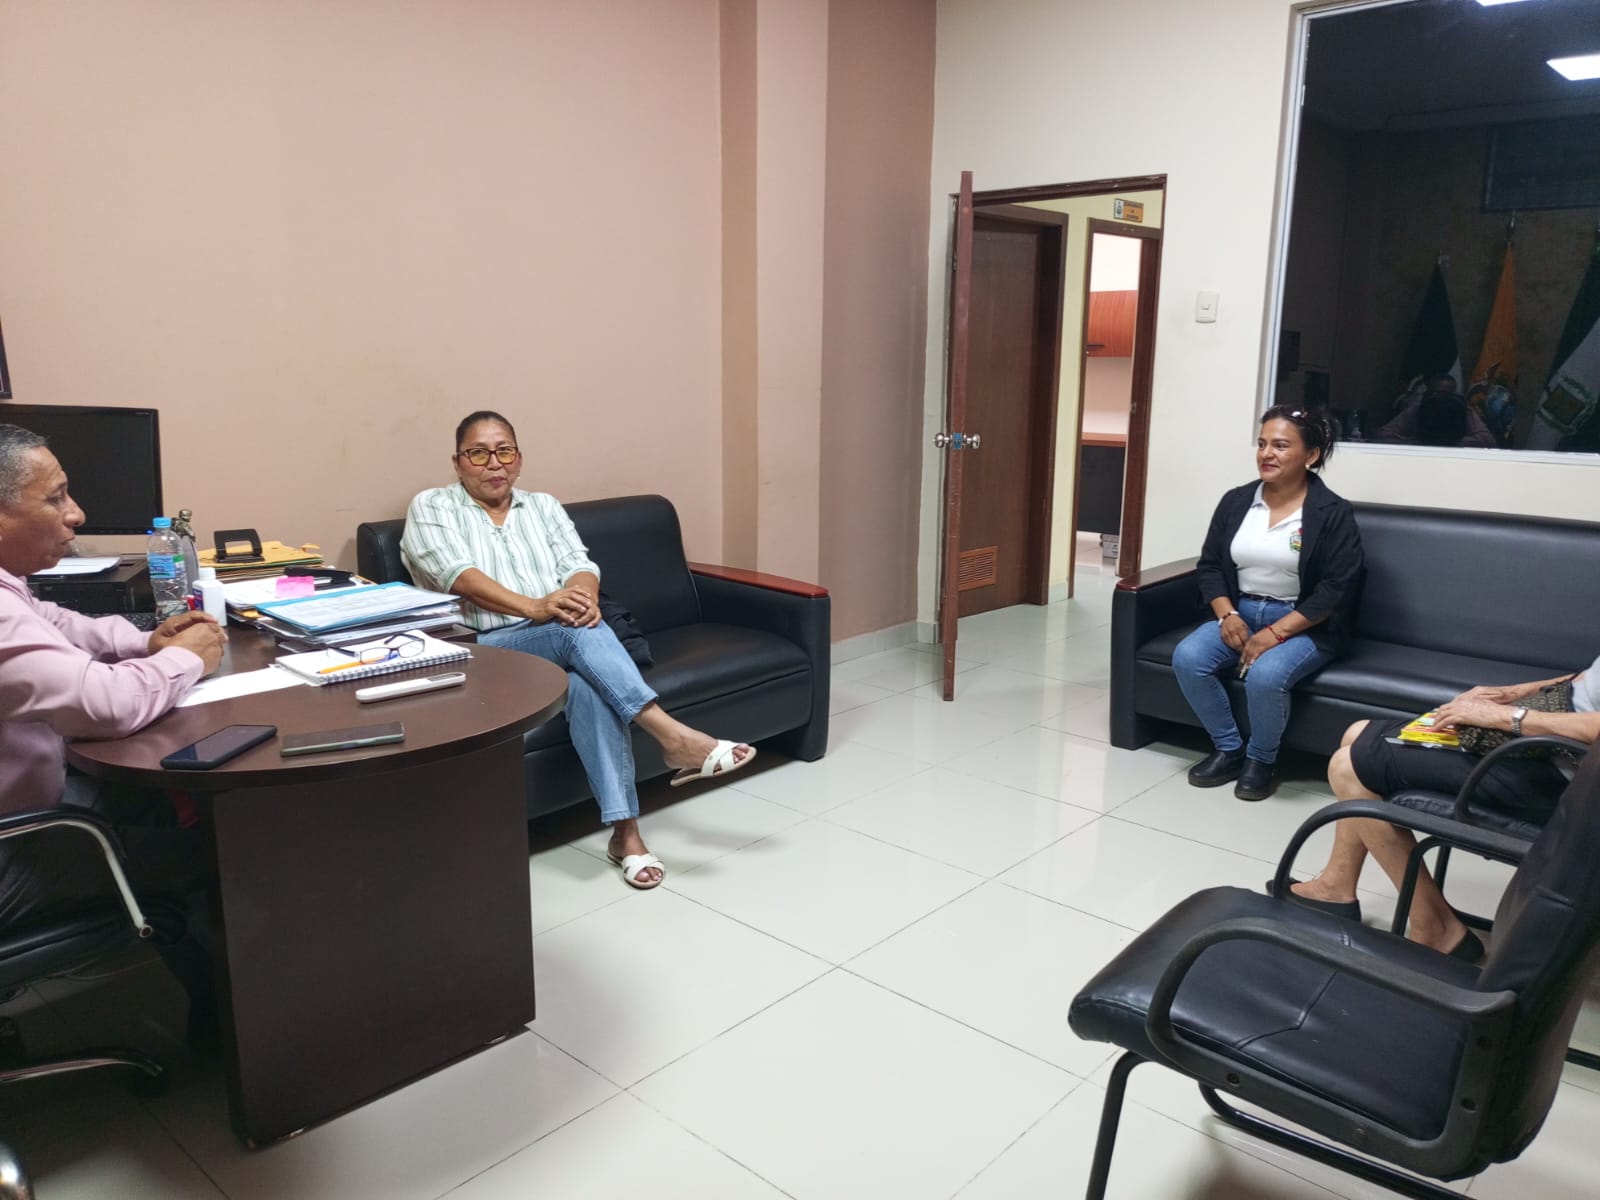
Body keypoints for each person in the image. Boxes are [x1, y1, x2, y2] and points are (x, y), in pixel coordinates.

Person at [400, 411, 754, 890]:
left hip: (555, 634)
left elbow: (578, 565)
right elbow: (457, 576)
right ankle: (671, 735)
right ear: (458, 462)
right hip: (488, 650)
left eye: (504, 451)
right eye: (478, 453)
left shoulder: (542, 507)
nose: (493, 463)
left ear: (519, 458)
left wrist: (582, 598)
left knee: (587, 683)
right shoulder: (432, 507)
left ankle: (626, 836)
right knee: (572, 631)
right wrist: (538, 607)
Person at [0, 424, 229, 1040]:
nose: (75, 514)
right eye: (55, 498)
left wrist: (144, 641)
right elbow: (105, 706)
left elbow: (52, 622)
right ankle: (236, 1029)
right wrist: (185, 661)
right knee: (218, 855)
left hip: (29, 803)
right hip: (13, 845)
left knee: (162, 804)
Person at [1284, 664, 1600, 962]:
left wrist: (1508, 716)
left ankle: (1436, 928)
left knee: (1347, 767)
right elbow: (1589, 678)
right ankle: (1336, 885)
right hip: (1547, 744)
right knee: (1357, 733)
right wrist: (1509, 694)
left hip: (1568, 781)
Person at [1174, 407, 1362, 800]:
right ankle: (1229, 749)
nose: (1266, 454)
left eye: (1280, 445)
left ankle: (1262, 760)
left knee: (1265, 675)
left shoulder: (1332, 512)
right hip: (1241, 610)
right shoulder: (1237, 501)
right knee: (1188, 657)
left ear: (1311, 455)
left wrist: (1274, 634)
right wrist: (1227, 615)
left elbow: (1335, 588)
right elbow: (1210, 566)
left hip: (1304, 622)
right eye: (1262, 444)